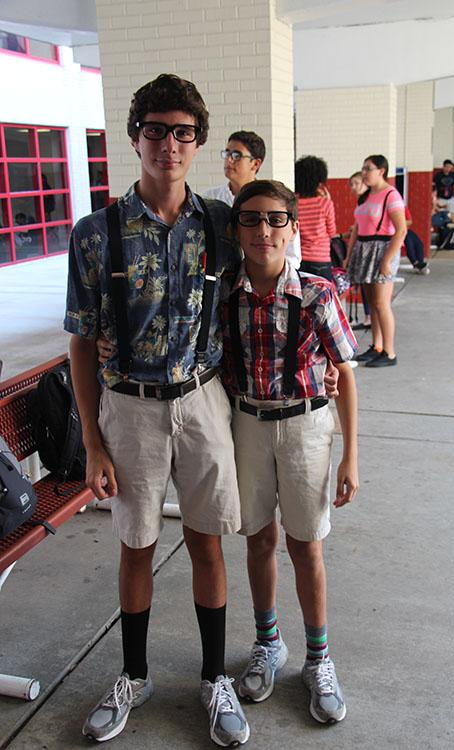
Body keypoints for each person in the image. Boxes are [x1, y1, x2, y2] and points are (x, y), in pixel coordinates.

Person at [65, 73, 251, 747]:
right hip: (130, 406)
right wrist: (92, 441)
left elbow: (270, 278)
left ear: (197, 142)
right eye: (155, 131)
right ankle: (134, 674)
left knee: (206, 540)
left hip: (202, 400)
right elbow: (81, 341)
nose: (168, 144)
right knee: (136, 542)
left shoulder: (222, 225)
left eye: (182, 133)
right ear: (135, 136)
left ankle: (213, 677)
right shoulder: (96, 233)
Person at [222, 179, 358, 725]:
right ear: (237, 231)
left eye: (276, 219)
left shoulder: (317, 294)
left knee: (307, 546)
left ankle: (319, 659)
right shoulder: (222, 294)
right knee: (259, 539)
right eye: (251, 220)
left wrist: (350, 456)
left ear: (293, 227)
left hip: (306, 429)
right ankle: (267, 642)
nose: (263, 231)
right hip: (247, 425)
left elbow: (344, 372)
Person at [203, 130, 301, 269]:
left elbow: (292, 257)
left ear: (255, 164)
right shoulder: (209, 199)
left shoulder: (275, 201)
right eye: (227, 153)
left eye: (237, 155)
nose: (229, 160)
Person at [344, 154, 407, 368]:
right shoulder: (367, 195)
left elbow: (401, 230)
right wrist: (349, 255)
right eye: (362, 168)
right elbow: (357, 229)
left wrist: (387, 260)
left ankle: (389, 352)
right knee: (372, 304)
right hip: (365, 250)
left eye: (367, 169)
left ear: (381, 171)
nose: (364, 173)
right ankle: (377, 346)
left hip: (382, 250)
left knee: (382, 303)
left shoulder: (391, 195)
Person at [295, 155, 337, 281]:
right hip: (321, 261)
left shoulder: (292, 203)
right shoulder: (325, 204)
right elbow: (332, 232)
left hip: (299, 260)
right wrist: (327, 200)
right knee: (325, 298)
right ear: (320, 182)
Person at [347, 172, 371, 330]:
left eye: (356, 183)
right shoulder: (362, 201)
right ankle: (368, 317)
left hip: (371, 248)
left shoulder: (372, 199)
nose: (353, 187)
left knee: (371, 288)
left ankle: (371, 318)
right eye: (351, 184)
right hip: (361, 247)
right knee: (364, 285)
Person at [404, 206, 429, 275]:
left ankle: (420, 264)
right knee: (409, 244)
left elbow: (410, 221)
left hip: (405, 230)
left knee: (419, 243)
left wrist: (400, 222)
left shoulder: (403, 208)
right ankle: (415, 262)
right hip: (395, 231)